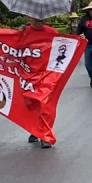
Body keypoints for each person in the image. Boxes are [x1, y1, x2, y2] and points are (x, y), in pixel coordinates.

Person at [19, 17, 59, 148]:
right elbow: (13, 49)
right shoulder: (23, 32)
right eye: (36, 17)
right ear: (29, 18)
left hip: (48, 75)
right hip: (28, 76)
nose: (39, 19)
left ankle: (45, 136)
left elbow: (66, 47)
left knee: (45, 105)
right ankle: (35, 129)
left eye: (42, 17)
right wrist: (17, 34)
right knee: (31, 104)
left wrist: (79, 40)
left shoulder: (52, 33)